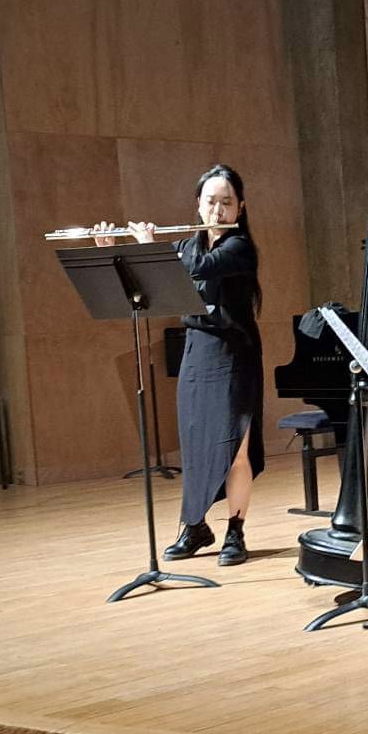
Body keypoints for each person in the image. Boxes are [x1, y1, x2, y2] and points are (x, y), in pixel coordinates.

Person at [93, 164, 264, 565]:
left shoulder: (239, 247)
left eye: (226, 202)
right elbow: (142, 289)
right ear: (198, 206)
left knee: (235, 448)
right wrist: (111, 253)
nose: (218, 210)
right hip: (196, 354)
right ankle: (195, 526)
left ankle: (235, 532)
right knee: (196, 446)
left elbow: (197, 271)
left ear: (240, 208)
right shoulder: (186, 247)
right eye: (211, 202)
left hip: (233, 354)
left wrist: (150, 248)